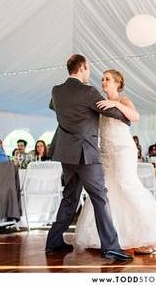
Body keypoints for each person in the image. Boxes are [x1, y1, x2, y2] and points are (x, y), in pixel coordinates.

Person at [76, 69, 156, 254]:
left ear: (117, 83)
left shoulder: (123, 100)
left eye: (107, 79)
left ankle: (149, 235)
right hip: (106, 151)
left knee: (127, 186)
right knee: (107, 191)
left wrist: (114, 104)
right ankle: (113, 238)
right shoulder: (98, 103)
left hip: (123, 149)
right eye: (102, 79)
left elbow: (135, 116)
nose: (103, 81)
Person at [45, 54, 132, 262]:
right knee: (100, 199)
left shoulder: (56, 91)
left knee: (69, 198)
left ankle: (53, 241)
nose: (90, 73)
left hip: (66, 154)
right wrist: (126, 117)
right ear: (82, 67)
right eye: (88, 69)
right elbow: (108, 111)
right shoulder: (88, 91)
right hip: (86, 154)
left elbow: (52, 106)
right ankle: (110, 247)